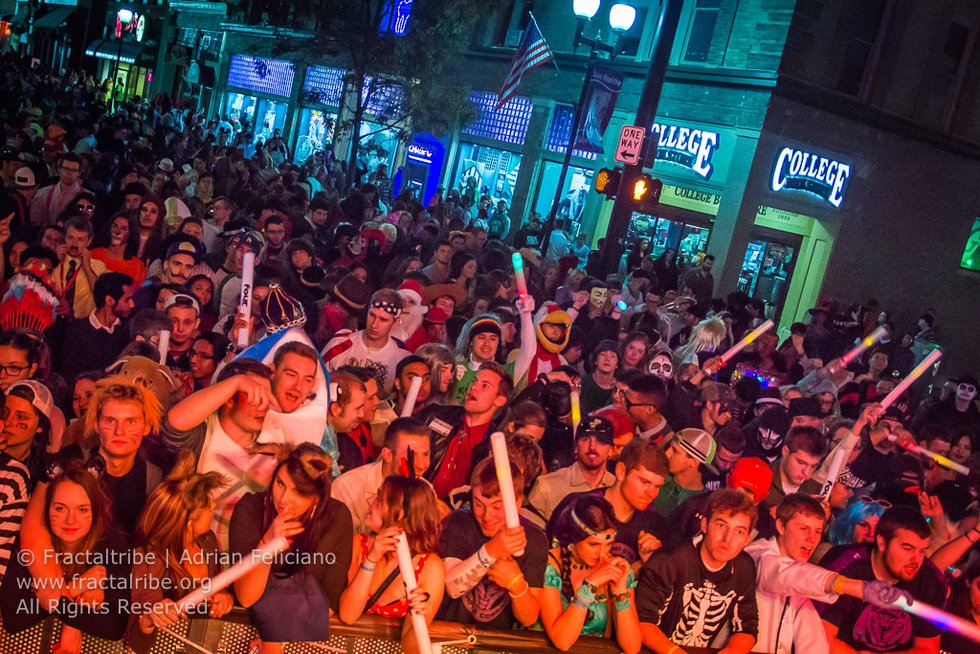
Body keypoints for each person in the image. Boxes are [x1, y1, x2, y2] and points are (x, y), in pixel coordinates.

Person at [745, 493, 908, 654]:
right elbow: (783, 574)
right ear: (781, 526)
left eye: (818, 531)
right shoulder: (757, 554)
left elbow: (813, 640)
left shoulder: (804, 578)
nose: (812, 539)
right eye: (804, 529)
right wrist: (858, 587)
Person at [231, 444, 353, 645]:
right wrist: (267, 544)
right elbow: (246, 597)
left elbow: (329, 600)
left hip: (301, 638)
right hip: (242, 630)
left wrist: (275, 635)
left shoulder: (336, 517)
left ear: (317, 497)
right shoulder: (251, 508)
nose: (284, 499)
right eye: (280, 483)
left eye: (298, 492)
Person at [1, 459, 132, 645]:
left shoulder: (113, 543)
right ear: (47, 509)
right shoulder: (31, 543)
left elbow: (114, 627)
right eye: (60, 509)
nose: (70, 521)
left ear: (96, 511)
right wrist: (76, 587)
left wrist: (56, 603)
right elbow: (14, 619)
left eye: (82, 510)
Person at [160, 358, 283, 550]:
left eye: (266, 397)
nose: (263, 406)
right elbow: (172, 426)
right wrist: (237, 383)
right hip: (196, 553)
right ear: (229, 399)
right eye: (255, 395)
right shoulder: (203, 433)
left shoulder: (273, 444)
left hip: (246, 556)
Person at [128, 452, 233, 649]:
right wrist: (149, 618)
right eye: (207, 505)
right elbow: (137, 644)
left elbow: (216, 586)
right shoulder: (149, 560)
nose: (213, 505)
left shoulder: (207, 541)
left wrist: (223, 595)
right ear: (189, 523)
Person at [636, 488, 759, 653]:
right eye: (721, 525)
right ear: (704, 524)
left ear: (747, 539)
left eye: (739, 531)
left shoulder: (744, 567)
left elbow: (747, 625)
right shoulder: (670, 560)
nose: (727, 538)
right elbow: (642, 621)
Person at [818, 506, 948, 654]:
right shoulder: (846, 563)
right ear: (882, 542)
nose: (916, 560)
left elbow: (927, 649)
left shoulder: (932, 582)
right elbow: (820, 637)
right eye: (908, 548)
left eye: (922, 551)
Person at [338, 475, 444, 654]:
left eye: (379, 499)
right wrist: (371, 559)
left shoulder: (430, 567)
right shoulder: (358, 544)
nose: (369, 500)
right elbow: (348, 615)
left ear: (399, 514)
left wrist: (418, 619)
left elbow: (411, 649)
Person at [439, 457, 548, 628]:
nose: (487, 516)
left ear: (517, 503)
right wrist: (491, 551)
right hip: (449, 635)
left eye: (497, 507)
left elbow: (529, 618)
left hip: (495, 640)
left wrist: (516, 584)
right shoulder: (459, 522)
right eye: (479, 505)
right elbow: (452, 587)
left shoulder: (535, 538)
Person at [539, 494, 641, 652]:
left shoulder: (615, 568)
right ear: (573, 538)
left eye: (609, 544)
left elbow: (632, 647)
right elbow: (562, 641)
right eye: (594, 544)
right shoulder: (549, 567)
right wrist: (589, 586)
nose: (602, 554)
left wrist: (620, 591)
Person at [547, 438, 669, 568]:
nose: (651, 493)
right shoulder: (576, 508)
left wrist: (648, 563)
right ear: (621, 471)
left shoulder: (655, 525)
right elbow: (549, 562)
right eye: (644, 482)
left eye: (657, 486)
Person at [419, 361, 514, 498]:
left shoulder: (496, 449)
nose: (473, 387)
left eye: (484, 386)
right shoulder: (435, 414)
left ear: (500, 400)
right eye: (474, 381)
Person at [331, 417, 431, 533]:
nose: (422, 465)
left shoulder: (425, 491)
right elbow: (337, 540)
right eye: (411, 456)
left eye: (426, 454)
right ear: (387, 455)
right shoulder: (346, 487)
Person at [322, 289, 411, 394]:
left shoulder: (401, 358)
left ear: (395, 322)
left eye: (383, 319)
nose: (374, 325)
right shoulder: (339, 344)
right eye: (372, 315)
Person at [529, 416, 617, 520]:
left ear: (611, 450)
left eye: (601, 441)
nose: (592, 447)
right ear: (575, 447)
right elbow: (530, 528)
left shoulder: (617, 488)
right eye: (585, 440)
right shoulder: (546, 486)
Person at [57, 272, 134, 384]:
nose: (132, 304)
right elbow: (69, 376)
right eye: (127, 300)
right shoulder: (77, 331)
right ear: (109, 301)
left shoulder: (128, 330)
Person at [51, 217, 108, 320]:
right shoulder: (54, 260)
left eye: (81, 240)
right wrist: (54, 261)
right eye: (70, 238)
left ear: (89, 241)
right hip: (51, 320)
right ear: (64, 237)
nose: (74, 244)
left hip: (83, 324)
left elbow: (102, 296)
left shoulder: (98, 266)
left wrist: (87, 267)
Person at [652, 428, 716, 519]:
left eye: (675, 451)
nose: (667, 454)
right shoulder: (655, 480)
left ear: (693, 462)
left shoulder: (705, 504)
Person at [765, 426, 826, 506]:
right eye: (801, 463)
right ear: (785, 452)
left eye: (813, 466)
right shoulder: (758, 478)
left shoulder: (818, 491)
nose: (806, 473)